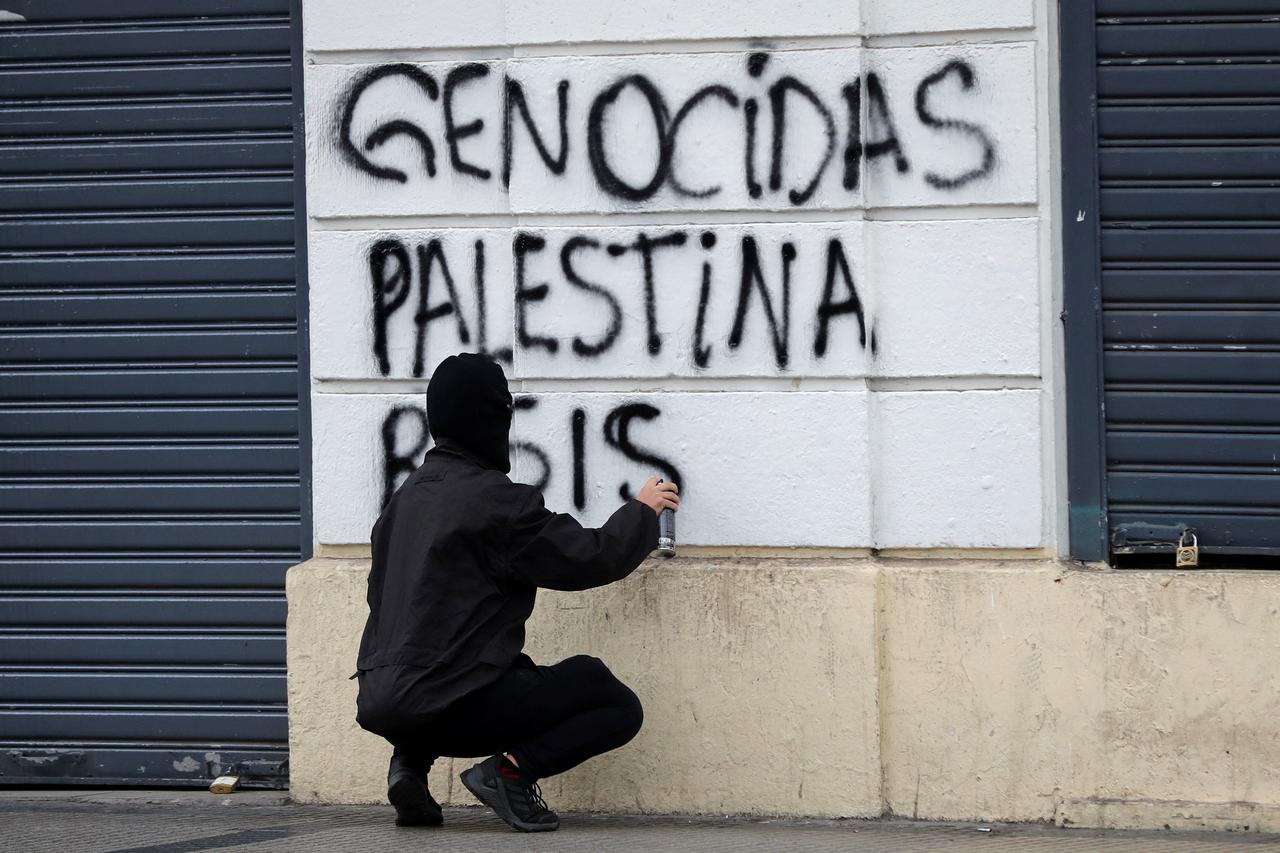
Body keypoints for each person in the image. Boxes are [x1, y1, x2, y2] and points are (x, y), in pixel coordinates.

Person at [352, 353, 680, 833]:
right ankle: (508, 773)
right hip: (453, 706)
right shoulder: (494, 501)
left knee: (445, 661)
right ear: (491, 417)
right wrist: (642, 512)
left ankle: (408, 767)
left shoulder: (402, 502)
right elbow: (590, 558)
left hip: (384, 703)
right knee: (610, 697)